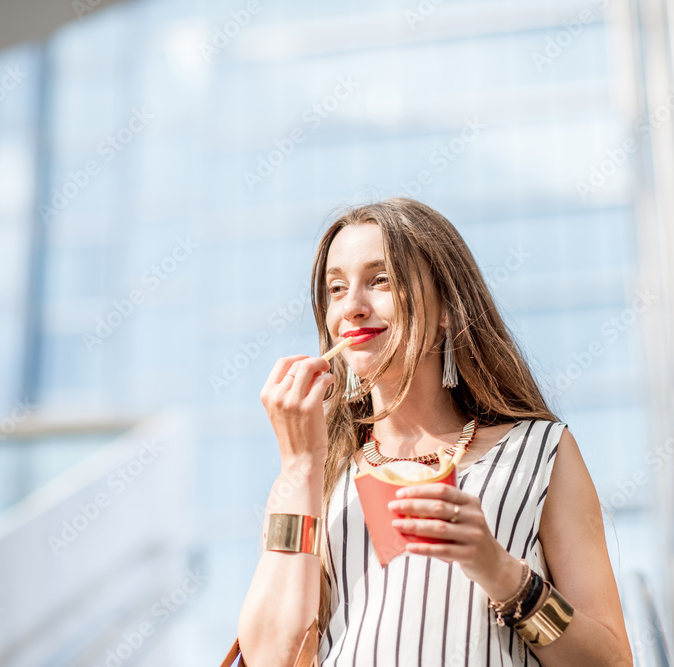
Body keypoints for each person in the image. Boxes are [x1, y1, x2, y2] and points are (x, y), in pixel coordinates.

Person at [237, 198, 632, 666]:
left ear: (446, 308)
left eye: (380, 280)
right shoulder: (317, 473)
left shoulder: (540, 452)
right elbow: (270, 658)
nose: (353, 307)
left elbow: (610, 662)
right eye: (336, 289)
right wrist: (300, 466)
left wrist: (501, 572)